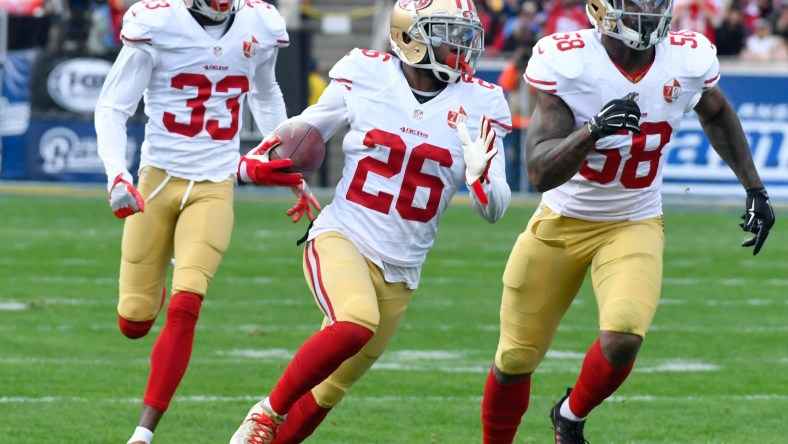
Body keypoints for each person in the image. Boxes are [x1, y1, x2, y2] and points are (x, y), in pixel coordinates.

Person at [479, 0, 776, 442]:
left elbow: (715, 112)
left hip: (633, 220)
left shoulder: (687, 57)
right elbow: (540, 172)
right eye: (637, 4)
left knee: (623, 337)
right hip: (561, 222)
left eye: (655, 3)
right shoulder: (570, 62)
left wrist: (754, 188)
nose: (648, 12)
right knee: (515, 359)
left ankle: (571, 415)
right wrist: (592, 131)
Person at [230, 0, 512, 442]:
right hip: (344, 235)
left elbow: (495, 209)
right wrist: (251, 164)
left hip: (402, 270)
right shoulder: (366, 73)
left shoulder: (483, 102)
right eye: (447, 32)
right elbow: (305, 130)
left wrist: (479, 179)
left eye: (464, 33)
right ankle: (267, 411)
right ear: (410, 37)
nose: (461, 45)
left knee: (327, 392)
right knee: (356, 321)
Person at [93, 0, 309, 443]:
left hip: (215, 183)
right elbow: (113, 106)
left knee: (187, 303)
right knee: (133, 322)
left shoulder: (259, 24)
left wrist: (285, 160)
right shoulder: (156, 21)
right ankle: (155, 286)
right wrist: (116, 172)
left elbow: (265, 94)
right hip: (156, 183)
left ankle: (142, 434)